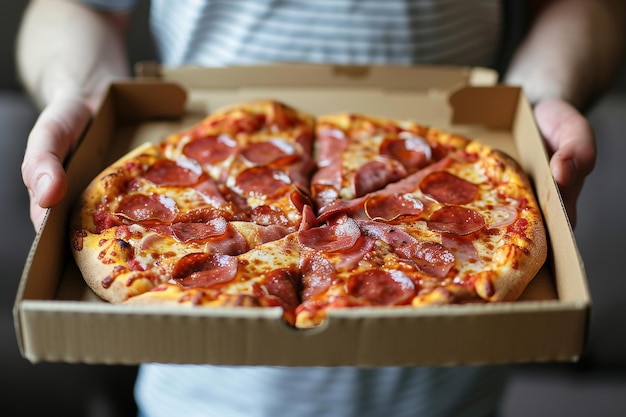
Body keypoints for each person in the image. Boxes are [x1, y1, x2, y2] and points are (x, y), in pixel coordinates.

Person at [16, 1, 625, 416]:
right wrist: (79, 88)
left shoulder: (497, 226)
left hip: (449, 381)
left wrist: (544, 92)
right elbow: (75, 7)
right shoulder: (123, 236)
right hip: (201, 387)